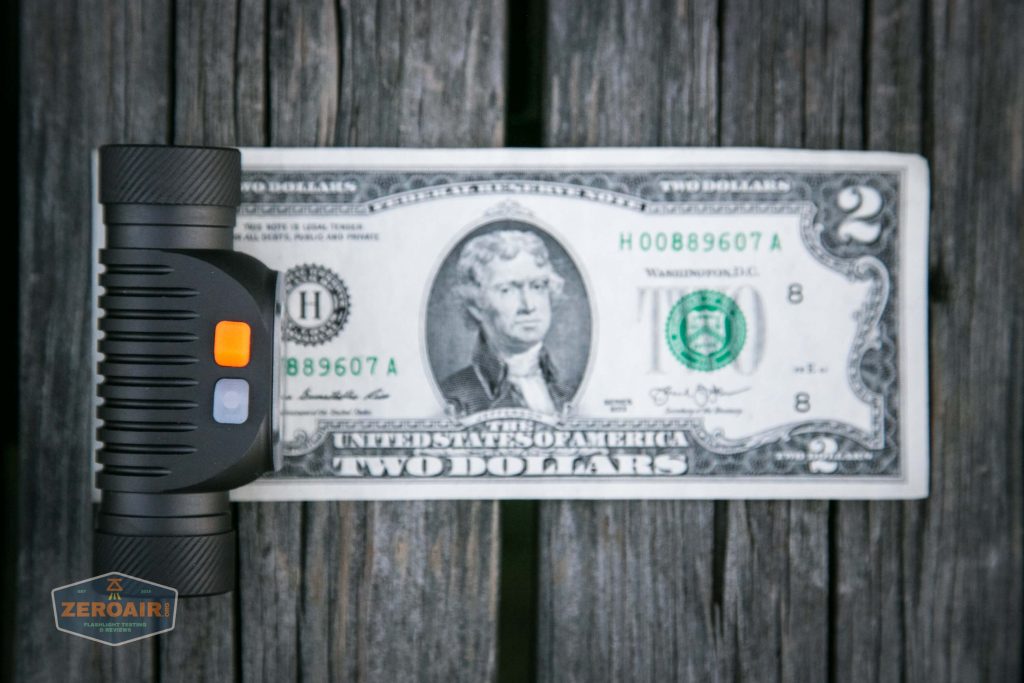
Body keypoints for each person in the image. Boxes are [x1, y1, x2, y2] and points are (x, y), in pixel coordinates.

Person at [440, 229, 573, 416]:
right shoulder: (453, 396)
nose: (528, 306)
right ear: (475, 305)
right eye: (507, 290)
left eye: (537, 286)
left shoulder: (569, 390)